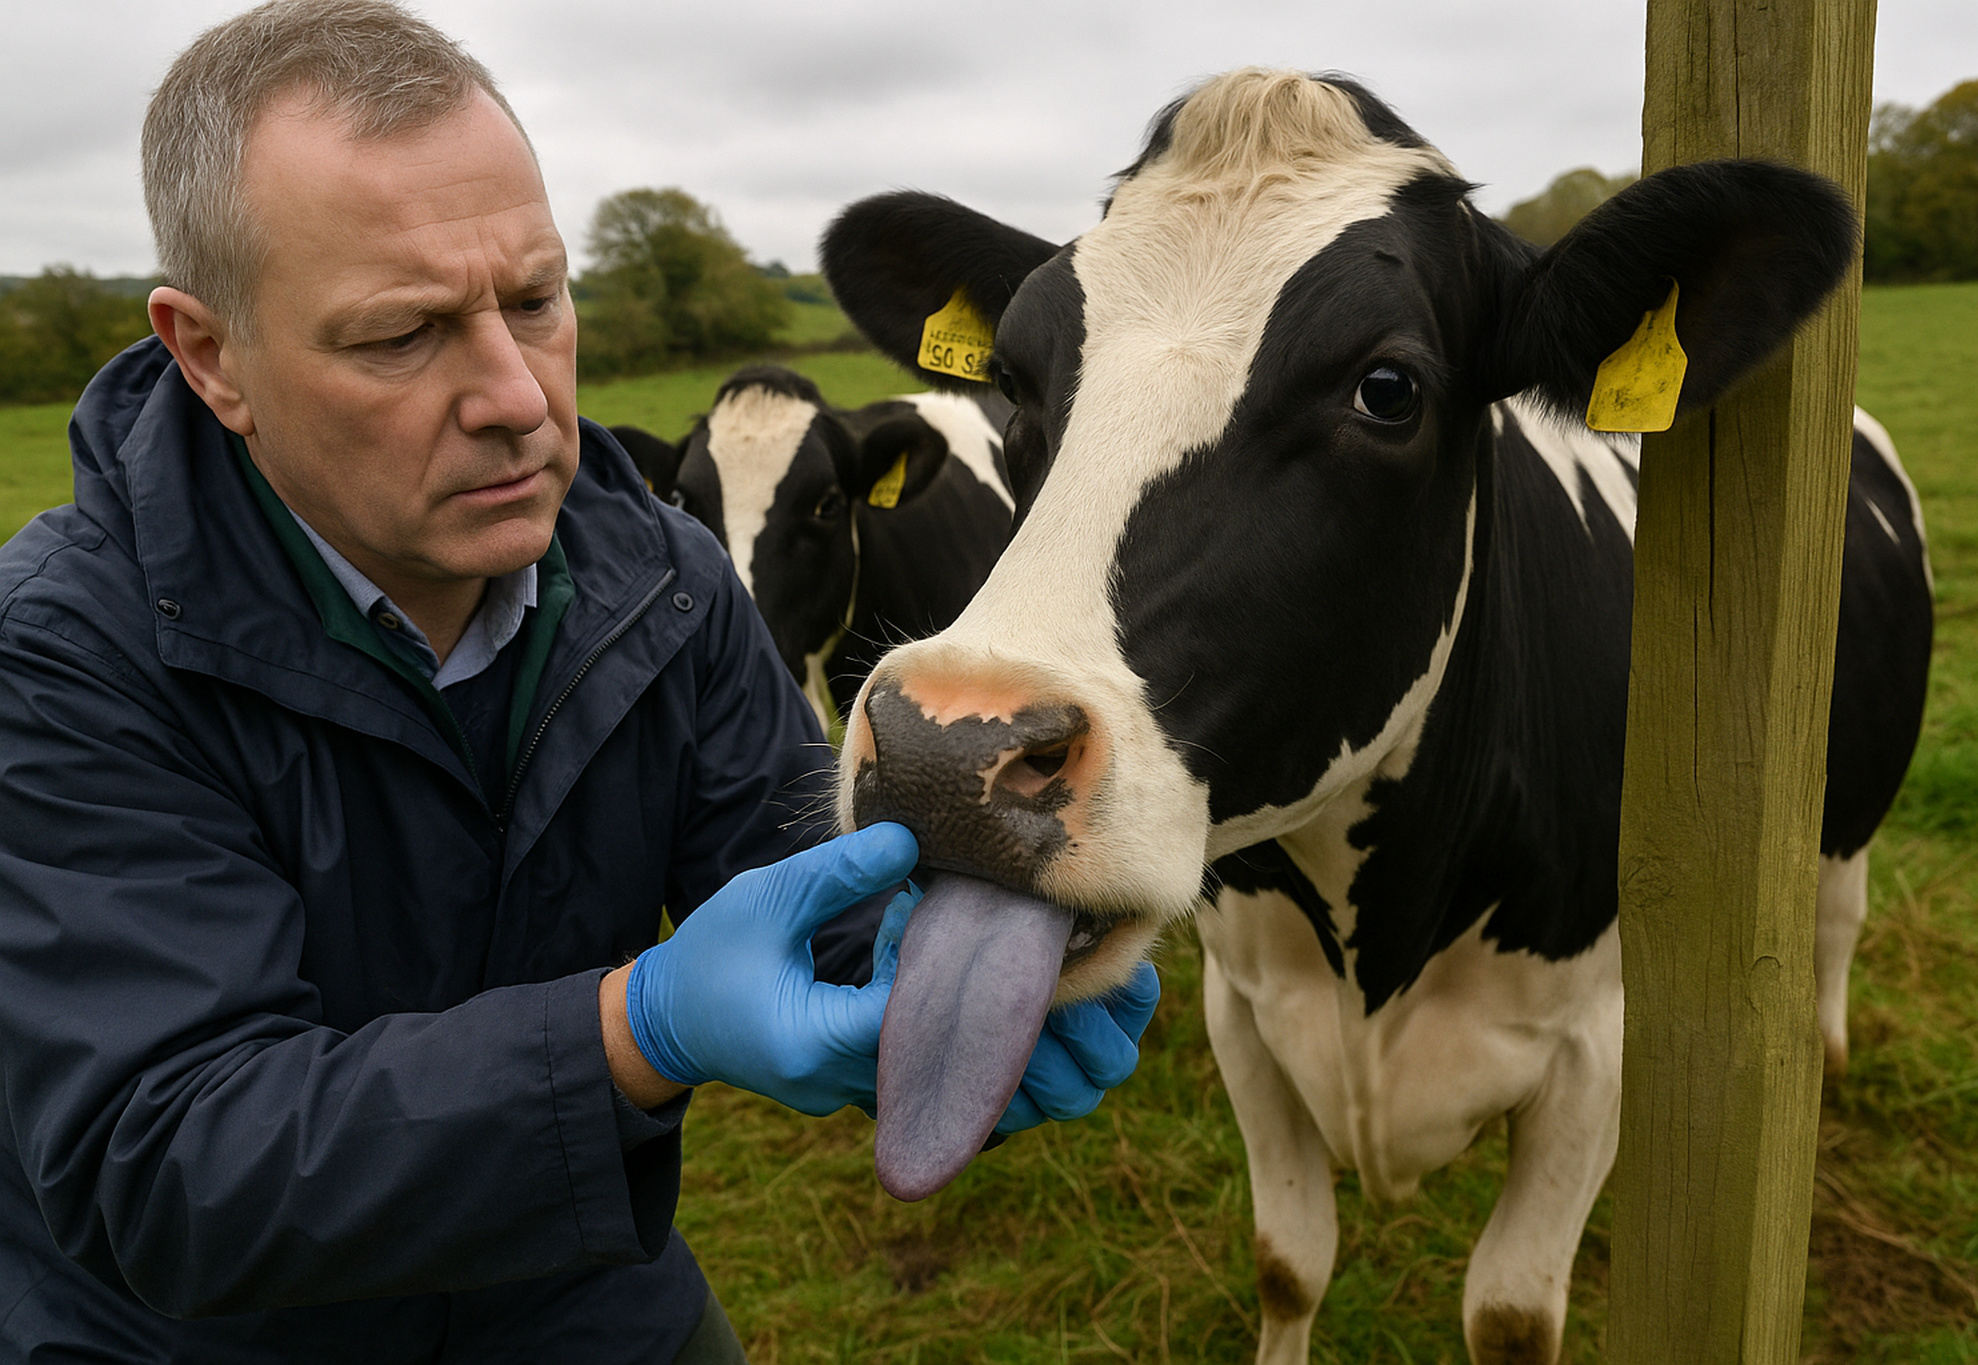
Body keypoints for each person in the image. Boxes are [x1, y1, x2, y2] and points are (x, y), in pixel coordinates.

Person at [0, 3, 1159, 1361]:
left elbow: (798, 878)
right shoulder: (62, 655)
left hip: (566, 1286)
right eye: (402, 335)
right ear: (212, 356)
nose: (517, 395)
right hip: (193, 1335)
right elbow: (172, 1163)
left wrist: (967, 975)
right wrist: (635, 1027)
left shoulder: (657, 577)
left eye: (536, 299)